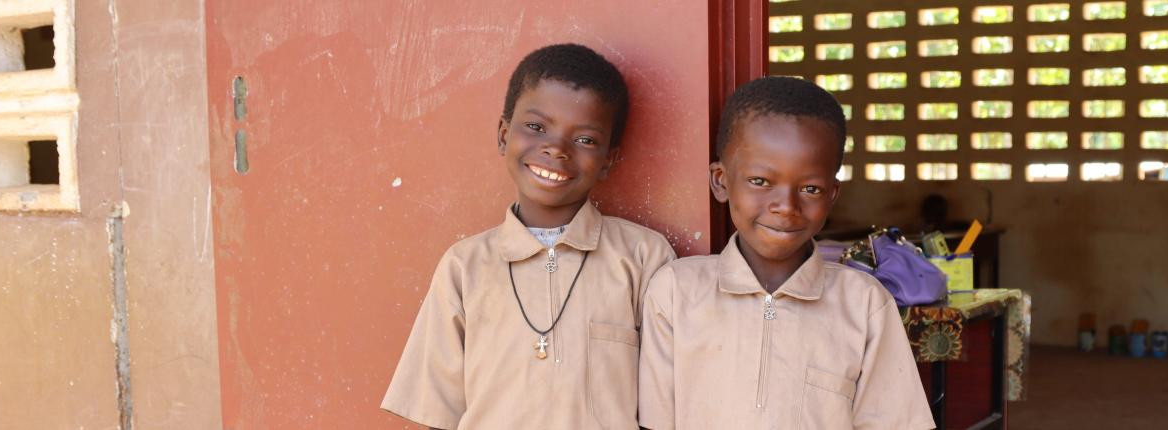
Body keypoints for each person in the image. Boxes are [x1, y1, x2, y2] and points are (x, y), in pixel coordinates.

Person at [381, 43, 675, 430]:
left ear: (609, 160)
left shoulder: (642, 258)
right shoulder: (464, 266)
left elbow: (666, 406)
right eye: (536, 127)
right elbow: (440, 411)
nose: (555, 149)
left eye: (584, 139)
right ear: (504, 135)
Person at [638, 77, 933, 429]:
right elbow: (655, 421)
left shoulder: (864, 304)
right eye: (761, 181)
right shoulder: (675, 292)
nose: (786, 206)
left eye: (810, 188)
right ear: (721, 181)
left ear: (832, 196)